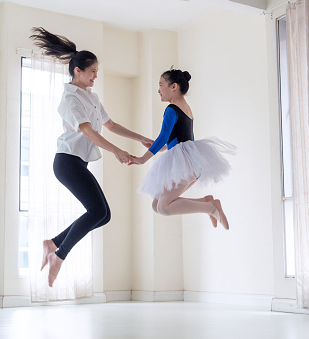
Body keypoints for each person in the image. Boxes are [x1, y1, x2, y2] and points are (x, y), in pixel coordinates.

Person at [30, 27, 154, 287]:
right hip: (66, 162)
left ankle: (52, 244)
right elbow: (87, 132)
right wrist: (117, 151)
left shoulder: (92, 97)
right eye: (92, 71)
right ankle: (58, 255)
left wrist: (140, 138)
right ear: (78, 71)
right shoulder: (70, 99)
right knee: (96, 210)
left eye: (97, 70)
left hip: (77, 162)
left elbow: (110, 125)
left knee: (103, 215)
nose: (96, 75)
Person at [130, 68, 235, 229]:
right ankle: (207, 203)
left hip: (185, 163)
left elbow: (164, 136)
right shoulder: (186, 107)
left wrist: (142, 159)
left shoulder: (171, 109)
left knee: (163, 207)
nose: (158, 90)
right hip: (191, 161)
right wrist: (162, 148)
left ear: (173, 87)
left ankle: (211, 208)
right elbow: (185, 139)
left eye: (160, 85)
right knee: (156, 204)